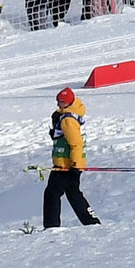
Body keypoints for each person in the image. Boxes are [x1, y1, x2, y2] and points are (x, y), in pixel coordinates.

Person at [44, 87, 101, 227]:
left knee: (52, 193)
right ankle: (91, 222)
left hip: (66, 165)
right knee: (73, 193)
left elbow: (76, 143)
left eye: (61, 101)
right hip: (69, 164)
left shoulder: (68, 120)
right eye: (58, 101)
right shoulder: (68, 116)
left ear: (69, 102)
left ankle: (51, 226)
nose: (58, 104)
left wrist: (75, 165)